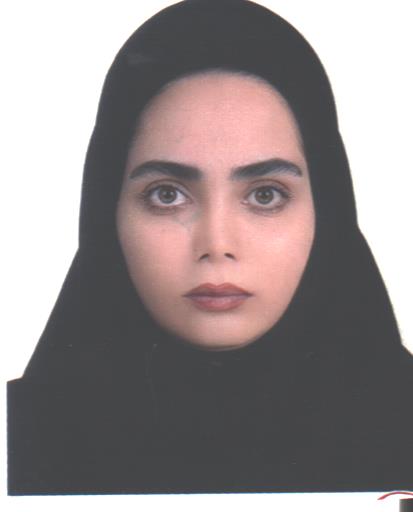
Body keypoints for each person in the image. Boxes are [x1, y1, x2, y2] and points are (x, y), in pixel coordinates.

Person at [7, 0, 413, 495]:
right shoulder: (16, 445)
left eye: (265, 195)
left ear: (326, 211)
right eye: (167, 195)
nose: (216, 244)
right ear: (105, 212)